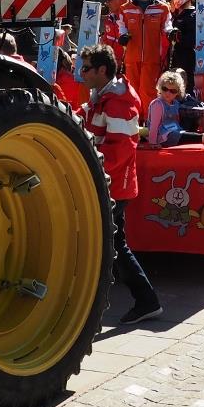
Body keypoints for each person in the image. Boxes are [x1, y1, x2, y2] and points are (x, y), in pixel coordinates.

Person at [79, 44, 162, 325]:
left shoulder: (118, 102)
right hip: (110, 183)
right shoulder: (103, 95)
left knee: (107, 244)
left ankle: (141, 300)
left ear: (102, 70)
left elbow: (121, 150)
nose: (82, 73)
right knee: (113, 244)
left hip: (113, 185)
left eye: (87, 68)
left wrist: (87, 167)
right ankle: (145, 300)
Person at [119, 0, 172, 112]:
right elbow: (122, 26)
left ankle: (150, 122)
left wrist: (171, 32)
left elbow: (167, 26)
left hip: (152, 58)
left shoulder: (162, 8)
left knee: (148, 91)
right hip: (131, 58)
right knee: (132, 91)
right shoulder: (126, 8)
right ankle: (133, 122)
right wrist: (122, 36)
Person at [147, 70, 204, 147]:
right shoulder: (157, 104)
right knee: (197, 138)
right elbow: (153, 126)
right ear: (160, 87)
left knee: (194, 136)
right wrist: (152, 143)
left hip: (175, 133)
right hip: (164, 137)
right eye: (165, 89)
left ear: (177, 92)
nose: (168, 93)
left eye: (173, 91)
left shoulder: (175, 103)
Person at [100, 0, 132, 68]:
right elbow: (105, 43)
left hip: (128, 70)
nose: (107, 3)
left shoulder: (134, 19)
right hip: (111, 69)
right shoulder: (109, 19)